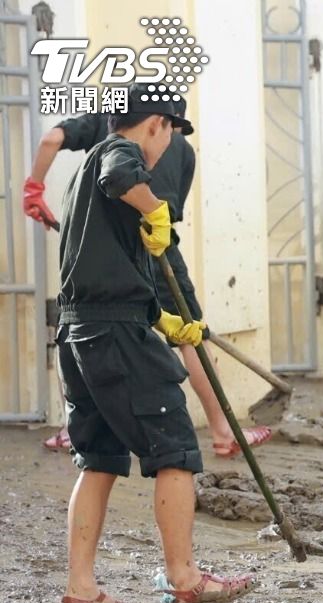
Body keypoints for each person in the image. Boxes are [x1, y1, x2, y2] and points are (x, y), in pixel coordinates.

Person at [55, 86, 252, 603]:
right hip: (112, 334)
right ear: (158, 124)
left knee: (98, 458)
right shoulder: (120, 155)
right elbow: (122, 178)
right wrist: (157, 209)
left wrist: (161, 317)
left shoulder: (83, 177)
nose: (168, 146)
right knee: (175, 449)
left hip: (79, 331)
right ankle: (185, 578)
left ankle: (81, 588)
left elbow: (105, 262)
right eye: (172, 133)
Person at [24, 100, 272, 457]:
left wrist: (33, 188)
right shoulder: (182, 148)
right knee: (191, 333)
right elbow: (159, 202)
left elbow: (50, 140)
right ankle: (222, 430)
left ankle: (73, 430)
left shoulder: (104, 126)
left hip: (111, 253)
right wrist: (156, 216)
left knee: (92, 330)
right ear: (161, 123)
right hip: (159, 245)